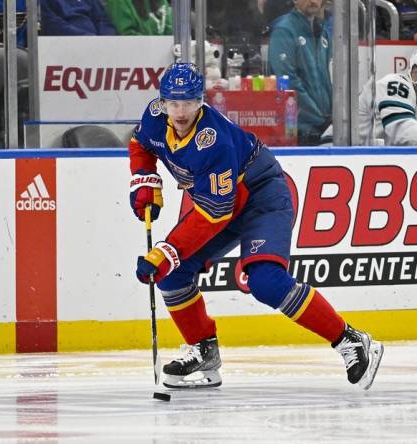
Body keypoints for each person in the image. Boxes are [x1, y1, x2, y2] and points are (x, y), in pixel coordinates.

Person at [128, 63, 384, 390]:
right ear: (162, 102)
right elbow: (141, 144)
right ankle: (204, 351)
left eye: (189, 103)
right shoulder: (154, 116)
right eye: (173, 103)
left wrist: (166, 251)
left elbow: (212, 214)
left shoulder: (213, 140)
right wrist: (144, 178)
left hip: (261, 196)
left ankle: (350, 340)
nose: (180, 112)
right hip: (223, 203)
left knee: (265, 281)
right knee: (174, 274)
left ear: (201, 101)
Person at [267, 0, 332, 145]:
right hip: (298, 130)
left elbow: (327, 79)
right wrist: (319, 119)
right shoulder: (284, 30)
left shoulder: (322, 33)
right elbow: (287, 82)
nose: (313, 1)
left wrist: (331, 116)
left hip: (322, 127)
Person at [40, 0, 115, 36]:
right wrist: (84, 36)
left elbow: (102, 20)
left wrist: (105, 39)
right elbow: (51, 23)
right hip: (64, 44)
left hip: (97, 44)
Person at [105, 0, 173, 35]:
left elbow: (170, 30)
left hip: (163, 54)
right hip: (134, 55)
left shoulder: (162, 1)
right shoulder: (118, 2)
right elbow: (127, 34)